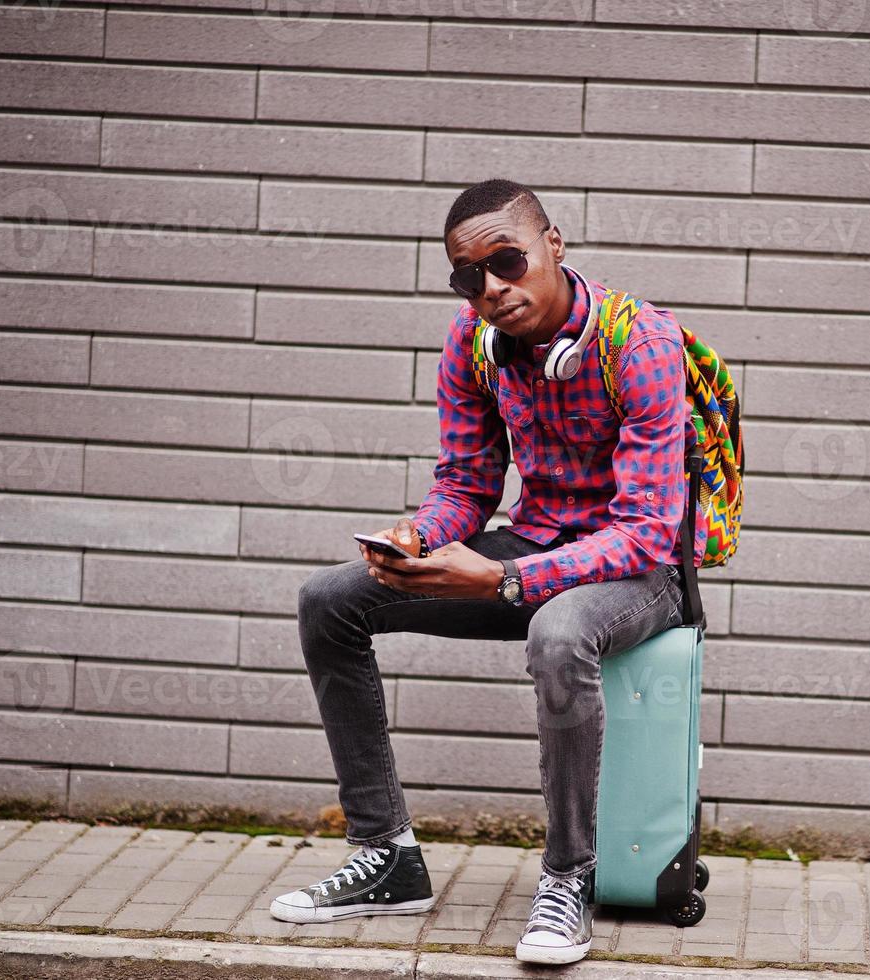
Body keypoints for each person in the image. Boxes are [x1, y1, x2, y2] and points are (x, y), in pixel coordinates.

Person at [268, 178, 706, 965]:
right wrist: (417, 537)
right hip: (534, 546)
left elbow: (644, 533)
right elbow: (467, 487)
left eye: (508, 262)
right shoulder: (470, 342)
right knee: (329, 599)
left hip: (640, 575)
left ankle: (569, 877)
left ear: (555, 246)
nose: (492, 289)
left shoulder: (639, 342)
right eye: (469, 277)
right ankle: (387, 858)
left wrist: (503, 581)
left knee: (558, 629)